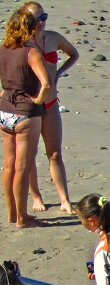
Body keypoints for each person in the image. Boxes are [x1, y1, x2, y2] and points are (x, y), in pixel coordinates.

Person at [0, 7, 51, 228]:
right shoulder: (31, 52)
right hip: (25, 114)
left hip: (4, 111)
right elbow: (47, 83)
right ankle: (23, 218)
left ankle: (12, 213)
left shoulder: (2, 48)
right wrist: (38, 100)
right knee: (22, 167)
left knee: (9, 166)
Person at [25, 2, 77, 214]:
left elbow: (74, 54)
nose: (41, 22)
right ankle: (36, 196)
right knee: (30, 154)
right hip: (29, 106)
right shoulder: (20, 43)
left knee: (54, 154)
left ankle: (64, 199)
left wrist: (59, 73)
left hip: (51, 103)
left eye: (44, 17)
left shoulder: (53, 38)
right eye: (36, 19)